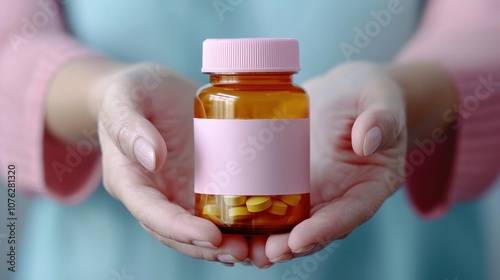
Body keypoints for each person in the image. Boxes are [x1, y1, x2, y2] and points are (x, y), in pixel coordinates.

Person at [1, 0, 499, 279]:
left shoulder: (279, 100)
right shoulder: (216, 100)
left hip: (397, 262)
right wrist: (100, 96)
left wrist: (406, 98)